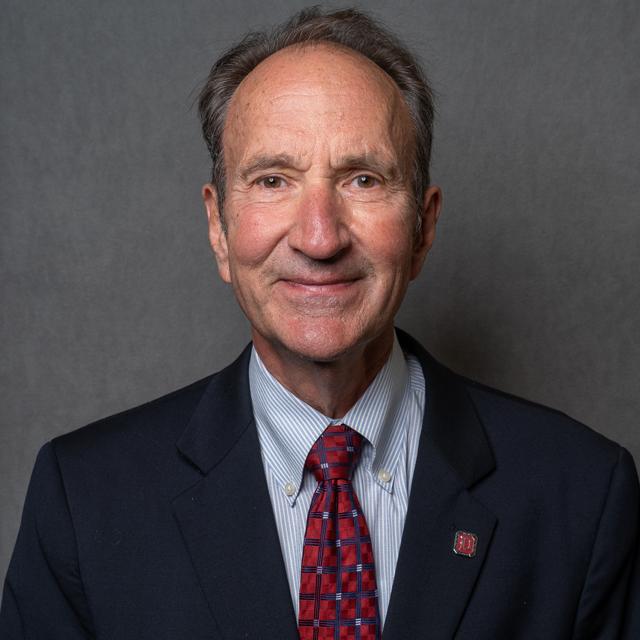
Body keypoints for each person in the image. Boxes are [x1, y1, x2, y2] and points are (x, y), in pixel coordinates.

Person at [1, 7, 638, 639]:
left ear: (424, 227)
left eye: (363, 179)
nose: (319, 236)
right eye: (273, 180)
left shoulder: (581, 493)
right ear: (219, 228)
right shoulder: (85, 500)